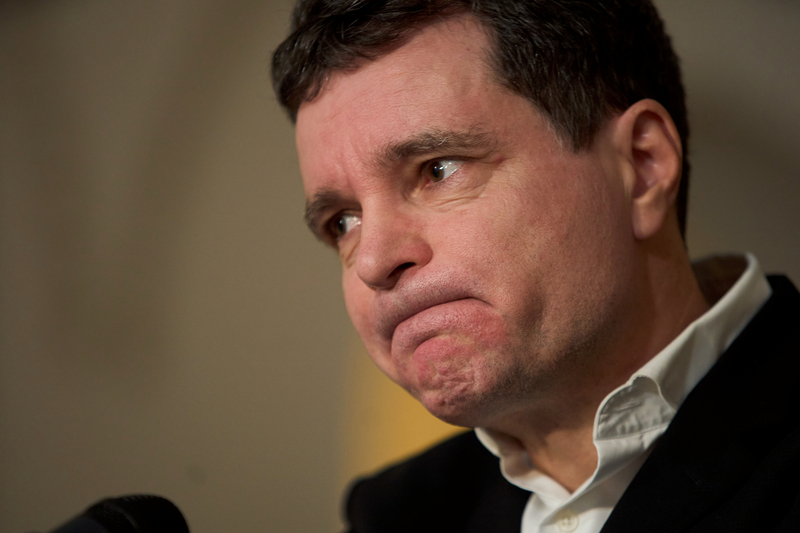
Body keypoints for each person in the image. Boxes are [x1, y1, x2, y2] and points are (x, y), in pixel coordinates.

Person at [271, 1, 800, 532]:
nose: (373, 261)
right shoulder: (396, 516)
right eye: (343, 222)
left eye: (439, 170)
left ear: (642, 167)